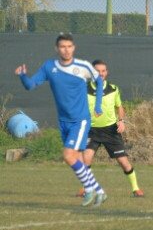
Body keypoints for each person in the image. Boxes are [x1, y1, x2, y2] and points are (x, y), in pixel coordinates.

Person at [15, 34, 109, 207]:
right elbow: (30, 85)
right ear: (56, 49)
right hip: (63, 121)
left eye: (69, 46)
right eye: (63, 46)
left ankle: (88, 189)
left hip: (79, 120)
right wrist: (23, 76)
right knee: (77, 158)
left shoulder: (83, 66)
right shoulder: (49, 67)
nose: (66, 49)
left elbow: (100, 81)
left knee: (67, 155)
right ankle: (101, 192)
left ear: (74, 48)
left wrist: (97, 106)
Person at [75, 60, 144, 198]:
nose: (101, 73)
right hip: (91, 130)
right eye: (97, 71)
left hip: (110, 131)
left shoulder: (113, 89)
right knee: (86, 159)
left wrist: (122, 121)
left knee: (123, 162)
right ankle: (86, 188)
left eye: (103, 71)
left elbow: (119, 106)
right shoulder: (84, 88)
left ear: (106, 72)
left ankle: (136, 189)